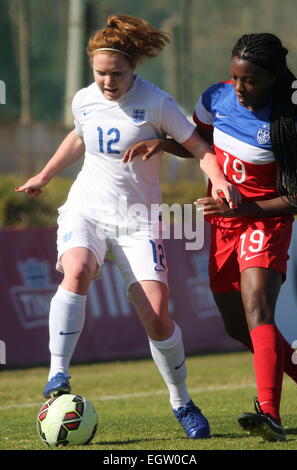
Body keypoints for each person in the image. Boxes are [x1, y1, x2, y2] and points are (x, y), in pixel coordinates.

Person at [16, 14, 239, 440]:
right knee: (77, 270)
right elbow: (78, 137)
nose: (107, 82)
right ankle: (57, 377)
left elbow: (199, 147)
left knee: (156, 317)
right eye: (100, 73)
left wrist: (222, 180)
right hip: (86, 209)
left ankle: (181, 401)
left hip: (138, 222)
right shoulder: (84, 99)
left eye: (116, 74)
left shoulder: (158, 103)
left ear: (134, 67)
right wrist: (44, 176)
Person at [124, 33, 297, 442]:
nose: (239, 88)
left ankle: (268, 411)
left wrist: (245, 210)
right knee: (239, 328)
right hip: (224, 225)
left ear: (273, 78)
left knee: (257, 305)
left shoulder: (289, 121)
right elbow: (200, 144)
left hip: (265, 221)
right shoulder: (215, 98)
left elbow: (296, 197)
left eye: (250, 80)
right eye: (234, 78)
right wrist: (165, 143)